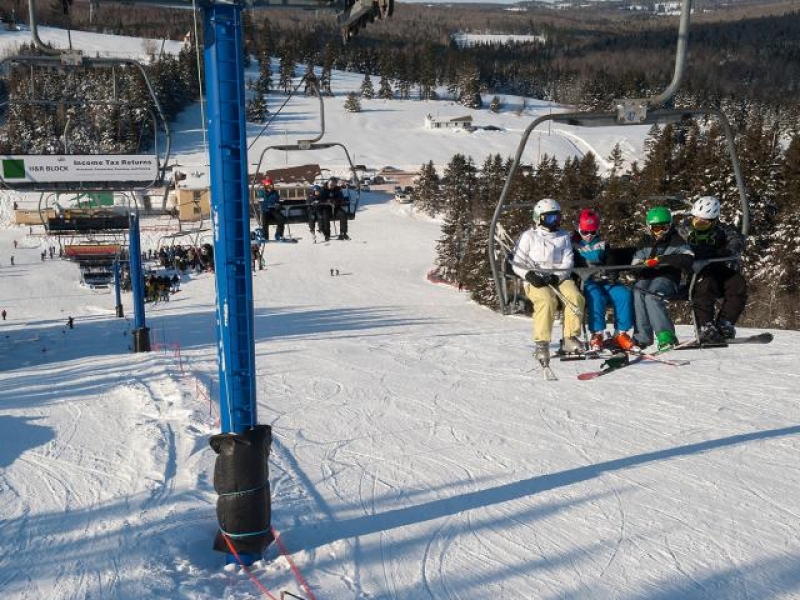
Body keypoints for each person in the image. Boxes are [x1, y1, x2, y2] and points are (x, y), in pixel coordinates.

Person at [512, 198, 586, 363]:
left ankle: (570, 338)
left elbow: (568, 262)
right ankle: (542, 343)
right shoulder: (529, 236)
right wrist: (529, 275)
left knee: (576, 297)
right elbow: (517, 263)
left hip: (559, 278)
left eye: (558, 217)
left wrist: (556, 276)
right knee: (547, 300)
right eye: (551, 218)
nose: (556, 221)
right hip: (536, 279)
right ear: (540, 218)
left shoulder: (563, 236)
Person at [678, 195, 747, 342]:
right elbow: (676, 246)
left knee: (737, 282)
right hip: (692, 272)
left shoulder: (720, 230)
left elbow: (736, 238)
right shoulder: (684, 230)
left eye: (704, 223)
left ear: (714, 221)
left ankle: (725, 323)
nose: (699, 224)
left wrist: (727, 251)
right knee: (706, 282)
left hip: (715, 268)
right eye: (697, 221)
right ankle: (705, 326)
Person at [572, 208, 637, 352]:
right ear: (578, 228)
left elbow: (610, 258)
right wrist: (586, 273)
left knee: (623, 294)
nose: (589, 236)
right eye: (585, 232)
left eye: (592, 232)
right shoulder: (574, 245)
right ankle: (597, 333)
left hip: (604, 279)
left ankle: (621, 333)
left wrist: (611, 271)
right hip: (587, 281)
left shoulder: (601, 243)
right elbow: (574, 264)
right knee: (597, 297)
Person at [631, 206, 694, 351]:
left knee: (652, 296)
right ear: (649, 227)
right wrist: (642, 266)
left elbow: (688, 258)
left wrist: (661, 260)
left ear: (670, 226)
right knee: (638, 292)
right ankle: (642, 337)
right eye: (656, 228)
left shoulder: (676, 240)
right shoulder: (645, 242)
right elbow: (635, 264)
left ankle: (666, 335)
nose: (660, 232)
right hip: (647, 277)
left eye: (664, 228)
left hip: (668, 278)